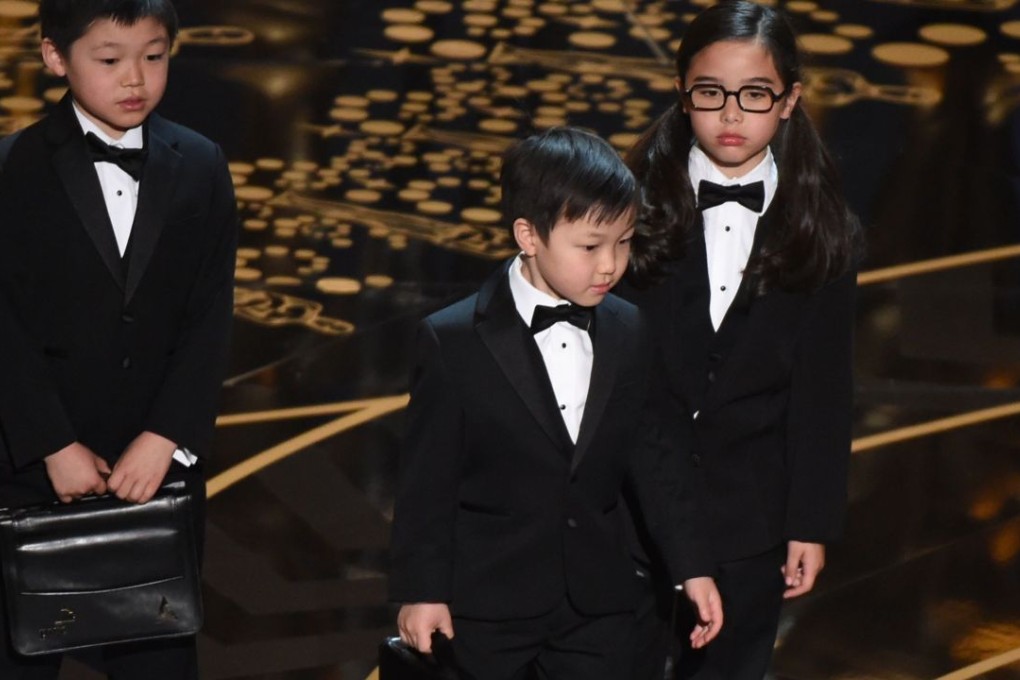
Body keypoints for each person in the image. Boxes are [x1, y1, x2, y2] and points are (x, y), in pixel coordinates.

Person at [388, 127, 723, 680]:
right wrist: (422, 591)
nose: (610, 265)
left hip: (598, 603)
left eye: (624, 241)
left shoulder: (627, 327)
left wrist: (691, 567)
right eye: (590, 246)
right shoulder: (453, 340)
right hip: (486, 605)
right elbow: (427, 481)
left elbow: (655, 457)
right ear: (529, 235)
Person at [622, 1, 861, 678]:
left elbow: (823, 390)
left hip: (749, 521)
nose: (731, 115)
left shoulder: (822, 230)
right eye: (711, 93)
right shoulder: (629, 212)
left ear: (789, 101)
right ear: (681, 92)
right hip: (627, 510)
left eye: (754, 95)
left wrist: (809, 522)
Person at [0, 0, 238, 677]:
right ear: (55, 57)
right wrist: (51, 442)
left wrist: (165, 435)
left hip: (156, 470)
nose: (135, 78)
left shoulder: (200, 163)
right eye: (109, 60)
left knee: (156, 656)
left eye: (154, 57)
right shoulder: (11, 170)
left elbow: (210, 315)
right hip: (29, 468)